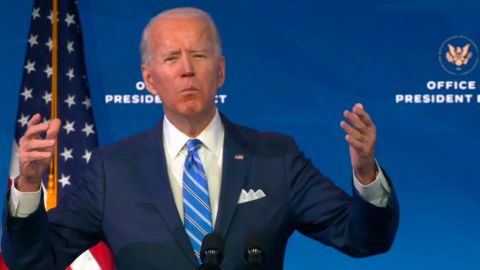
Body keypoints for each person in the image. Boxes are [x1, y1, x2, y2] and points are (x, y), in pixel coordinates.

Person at [2, 7, 399, 270]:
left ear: (221, 71)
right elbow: (33, 261)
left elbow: (363, 238)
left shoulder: (275, 157)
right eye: (171, 59)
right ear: (149, 79)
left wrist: (366, 174)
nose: (187, 70)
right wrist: (29, 186)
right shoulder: (113, 170)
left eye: (200, 56)